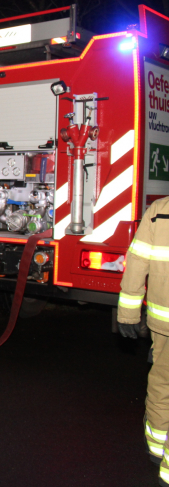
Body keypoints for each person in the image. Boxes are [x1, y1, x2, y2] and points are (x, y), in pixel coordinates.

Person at [118, 196, 169, 486]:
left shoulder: (159, 210)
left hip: (162, 321)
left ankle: (156, 448)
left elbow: (137, 261)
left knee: (162, 382)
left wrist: (128, 315)